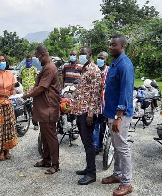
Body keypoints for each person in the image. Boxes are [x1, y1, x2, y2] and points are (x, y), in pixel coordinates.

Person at [102, 34, 134, 196]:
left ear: (122, 46)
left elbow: (126, 93)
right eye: (110, 45)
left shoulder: (125, 65)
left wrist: (118, 117)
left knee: (122, 147)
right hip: (111, 112)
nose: (110, 47)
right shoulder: (115, 63)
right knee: (115, 146)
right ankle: (117, 174)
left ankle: (127, 183)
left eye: (114, 45)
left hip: (120, 114)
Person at [23, 45, 60, 175]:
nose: (37, 59)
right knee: (44, 136)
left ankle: (55, 164)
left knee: (51, 137)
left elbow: (41, 88)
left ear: (43, 54)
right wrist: (30, 91)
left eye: (38, 56)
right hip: (44, 108)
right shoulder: (46, 67)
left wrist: (28, 94)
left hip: (49, 109)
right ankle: (46, 160)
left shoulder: (50, 68)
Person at [72, 47, 102, 185]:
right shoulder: (85, 69)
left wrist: (90, 115)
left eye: (84, 54)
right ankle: (88, 168)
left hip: (87, 113)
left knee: (89, 143)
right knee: (85, 142)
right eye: (81, 54)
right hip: (80, 110)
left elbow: (95, 95)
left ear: (90, 55)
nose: (81, 56)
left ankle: (91, 174)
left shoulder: (94, 70)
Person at [93, 51, 109, 154]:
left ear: (106, 60)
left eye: (102, 58)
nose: (100, 60)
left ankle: (101, 144)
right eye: (99, 57)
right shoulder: (94, 71)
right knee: (94, 125)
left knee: (103, 125)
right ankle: (95, 146)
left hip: (105, 104)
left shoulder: (110, 71)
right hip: (94, 104)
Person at [18, 55, 39, 130]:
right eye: (27, 61)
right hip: (24, 91)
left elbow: (37, 80)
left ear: (31, 61)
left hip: (32, 91)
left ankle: (35, 123)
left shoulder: (34, 69)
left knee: (32, 108)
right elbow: (19, 79)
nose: (28, 62)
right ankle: (24, 122)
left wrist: (35, 89)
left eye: (29, 61)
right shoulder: (22, 69)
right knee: (24, 107)